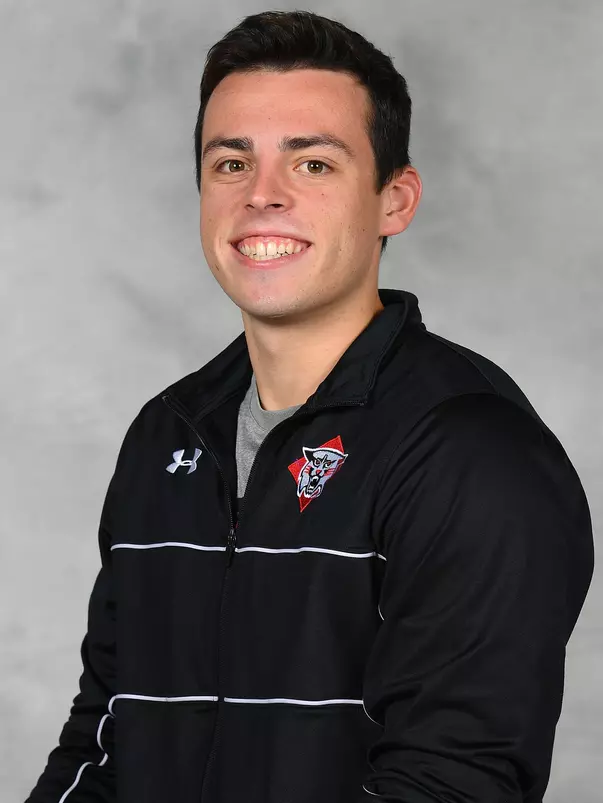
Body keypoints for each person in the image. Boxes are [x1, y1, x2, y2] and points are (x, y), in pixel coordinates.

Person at [26, 9, 594, 803]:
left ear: (394, 200)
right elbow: (102, 738)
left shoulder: (471, 449)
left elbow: (453, 781)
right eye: (231, 163)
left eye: (313, 164)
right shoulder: (165, 434)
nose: (261, 195)